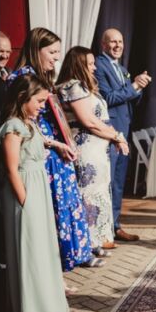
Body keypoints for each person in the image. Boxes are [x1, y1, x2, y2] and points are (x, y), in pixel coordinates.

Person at [4, 27, 96, 272]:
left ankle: (65, 263)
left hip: (56, 148)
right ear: (37, 50)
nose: (57, 57)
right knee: (53, 208)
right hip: (41, 149)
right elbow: (24, 122)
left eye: (58, 52)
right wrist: (54, 143)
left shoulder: (43, 77)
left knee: (64, 203)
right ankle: (54, 269)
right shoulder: (23, 77)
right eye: (52, 51)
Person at [57, 46, 126, 255]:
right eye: (90, 64)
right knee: (88, 193)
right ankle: (88, 241)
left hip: (98, 147)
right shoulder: (73, 86)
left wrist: (113, 137)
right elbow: (89, 121)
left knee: (99, 190)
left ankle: (99, 239)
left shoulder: (84, 87)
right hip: (86, 146)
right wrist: (116, 136)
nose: (94, 67)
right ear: (78, 65)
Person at [95, 28, 149, 243]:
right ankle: (104, 229)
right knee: (106, 182)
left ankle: (115, 226)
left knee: (118, 182)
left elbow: (129, 99)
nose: (117, 45)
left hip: (123, 132)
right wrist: (134, 86)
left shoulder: (122, 68)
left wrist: (138, 86)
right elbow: (107, 98)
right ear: (103, 45)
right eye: (112, 42)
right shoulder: (99, 65)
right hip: (109, 133)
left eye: (120, 41)